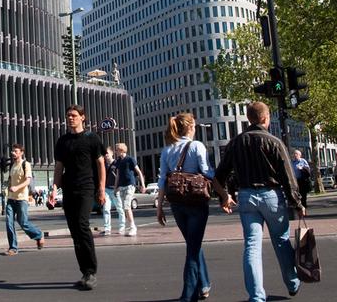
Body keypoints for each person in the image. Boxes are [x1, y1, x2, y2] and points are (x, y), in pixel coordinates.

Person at [214, 101, 306, 302]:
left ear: (249, 118)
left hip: (246, 196)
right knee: (281, 240)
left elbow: (220, 175)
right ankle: (292, 282)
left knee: (252, 246)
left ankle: (256, 296)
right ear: (265, 118)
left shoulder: (236, 143)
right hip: (272, 196)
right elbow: (288, 177)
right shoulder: (274, 142)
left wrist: (224, 197)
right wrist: (297, 203)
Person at [157, 113, 235, 302]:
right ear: (190, 127)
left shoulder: (167, 149)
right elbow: (208, 173)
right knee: (193, 248)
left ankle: (204, 284)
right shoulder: (197, 146)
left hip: (177, 204)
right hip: (196, 202)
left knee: (193, 244)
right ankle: (188, 295)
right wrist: (224, 195)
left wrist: (159, 207)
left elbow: (162, 180)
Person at [51, 104, 106, 291]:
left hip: (86, 187)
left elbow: (100, 164)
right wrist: (54, 189)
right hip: (69, 189)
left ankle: (91, 271)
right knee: (75, 232)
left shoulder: (92, 138)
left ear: (83, 117)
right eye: (68, 115)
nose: (70, 118)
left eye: (74, 115)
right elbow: (59, 167)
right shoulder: (62, 141)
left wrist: (101, 189)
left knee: (82, 225)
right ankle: (85, 272)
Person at [3, 143, 45, 256]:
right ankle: (13, 248)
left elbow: (27, 181)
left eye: (15, 151)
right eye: (12, 151)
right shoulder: (12, 166)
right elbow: (11, 180)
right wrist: (7, 188)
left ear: (21, 153)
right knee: (9, 223)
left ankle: (38, 235)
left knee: (23, 223)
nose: (13, 153)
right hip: (11, 198)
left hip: (22, 199)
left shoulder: (26, 164)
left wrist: (16, 187)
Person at [114, 142, 146, 236]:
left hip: (130, 185)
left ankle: (133, 227)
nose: (115, 152)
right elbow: (118, 175)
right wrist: (116, 187)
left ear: (121, 150)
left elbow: (139, 172)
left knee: (127, 206)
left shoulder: (130, 159)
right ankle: (132, 226)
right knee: (125, 208)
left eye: (116, 150)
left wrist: (143, 185)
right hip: (121, 186)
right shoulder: (118, 161)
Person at [102, 146, 125, 236]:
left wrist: (118, 187)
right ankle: (107, 228)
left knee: (120, 209)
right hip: (106, 189)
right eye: (104, 154)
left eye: (107, 153)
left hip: (116, 189)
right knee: (106, 209)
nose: (106, 155)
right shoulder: (103, 164)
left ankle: (122, 227)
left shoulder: (116, 163)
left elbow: (120, 176)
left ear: (112, 153)